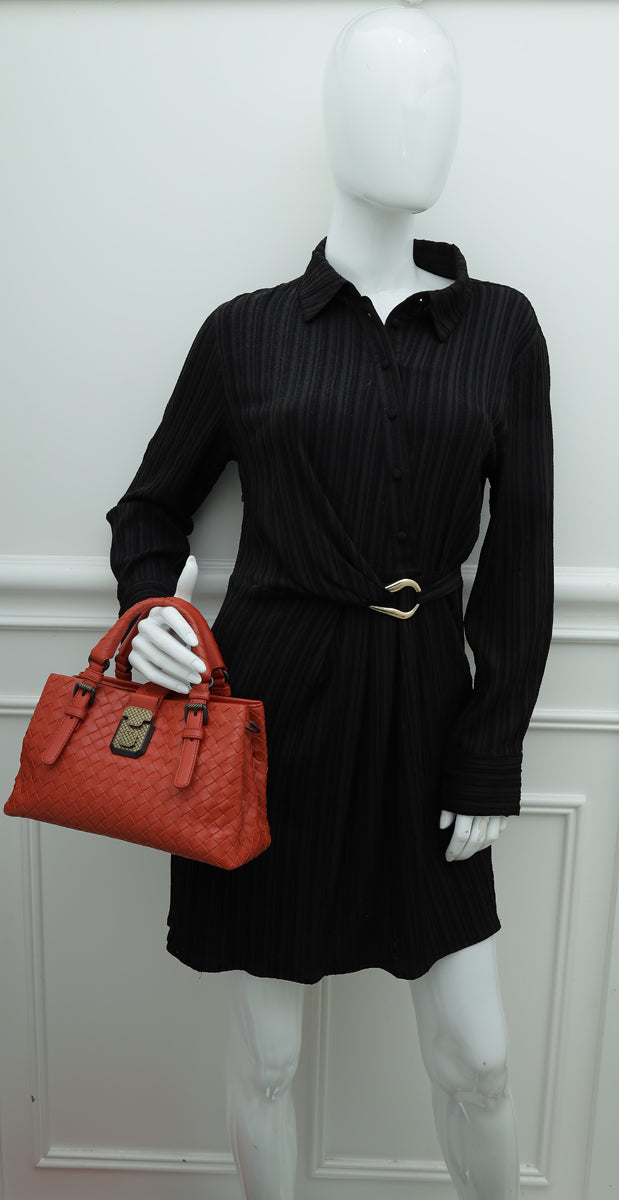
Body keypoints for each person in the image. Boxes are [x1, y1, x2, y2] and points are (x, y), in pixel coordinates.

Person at [106, 8, 553, 1198]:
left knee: (480, 1060)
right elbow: (148, 509)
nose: (419, 121)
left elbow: (520, 558)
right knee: (267, 1056)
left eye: (439, 94)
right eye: (387, 92)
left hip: (426, 710)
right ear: (331, 116)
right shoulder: (247, 333)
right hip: (270, 716)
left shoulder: (500, 330)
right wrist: (153, 610)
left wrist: (489, 752)